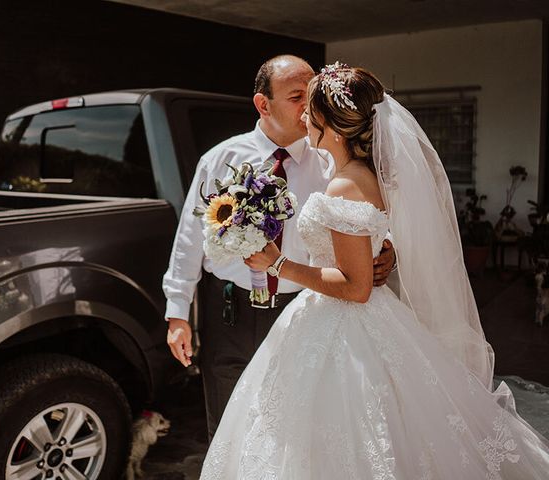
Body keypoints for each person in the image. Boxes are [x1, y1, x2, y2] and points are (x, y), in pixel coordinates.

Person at [199, 62, 549, 478]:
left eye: (310, 111)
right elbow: (374, 245)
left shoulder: (345, 184)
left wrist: (277, 263)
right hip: (351, 317)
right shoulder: (362, 174)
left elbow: (356, 287)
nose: (304, 119)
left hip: (346, 321)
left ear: (331, 123)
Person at [162, 55, 396, 441]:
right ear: (262, 104)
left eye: (312, 95)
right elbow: (189, 239)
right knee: (228, 425)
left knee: (291, 429)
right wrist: (177, 314)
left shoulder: (332, 160)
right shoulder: (220, 159)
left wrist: (388, 251)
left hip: (306, 310)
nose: (308, 106)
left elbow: (370, 223)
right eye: (295, 96)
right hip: (230, 313)